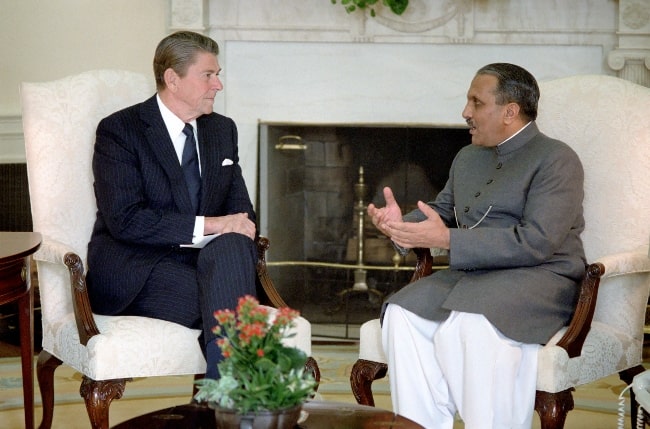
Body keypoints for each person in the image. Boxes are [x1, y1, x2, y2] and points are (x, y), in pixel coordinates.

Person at [368, 63, 586, 429]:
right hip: (474, 277)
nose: (465, 112)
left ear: (510, 111)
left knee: (466, 325)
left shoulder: (557, 159)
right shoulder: (467, 156)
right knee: (402, 315)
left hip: (540, 279)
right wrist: (400, 225)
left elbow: (537, 241)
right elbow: (440, 212)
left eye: (476, 102)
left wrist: (447, 239)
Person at [86, 31, 258, 379]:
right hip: (139, 267)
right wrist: (213, 225)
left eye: (218, 74)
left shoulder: (221, 130)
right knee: (232, 304)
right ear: (172, 79)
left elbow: (242, 217)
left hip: (207, 261)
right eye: (208, 75)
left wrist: (230, 227)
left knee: (234, 248)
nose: (218, 85)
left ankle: (223, 398)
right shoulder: (121, 130)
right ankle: (232, 397)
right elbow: (126, 220)